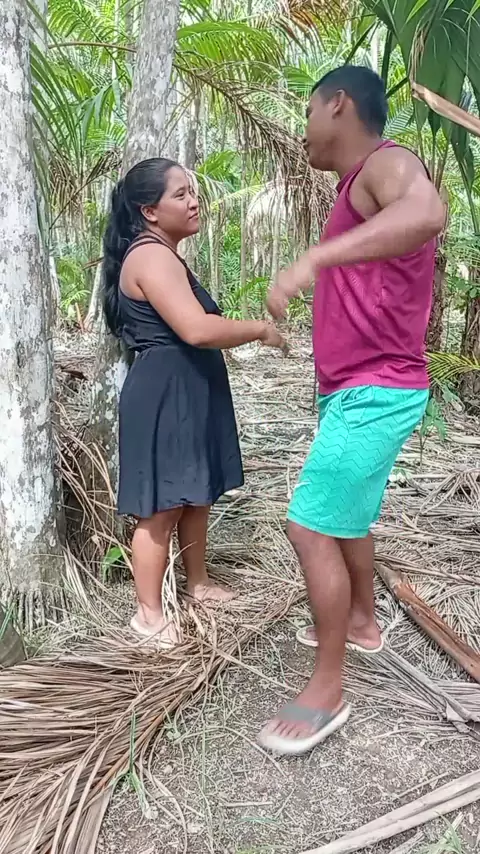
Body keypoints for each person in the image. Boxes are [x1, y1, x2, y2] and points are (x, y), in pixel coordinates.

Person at [259, 66, 445, 755]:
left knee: (309, 525)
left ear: (338, 104)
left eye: (308, 111)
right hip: (359, 388)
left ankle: (328, 689)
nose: (303, 129)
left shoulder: (385, 163)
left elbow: (426, 213)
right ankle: (362, 621)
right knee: (348, 519)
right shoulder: (356, 185)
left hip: (377, 388)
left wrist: (315, 258)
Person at [102, 157, 285, 647]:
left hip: (187, 388)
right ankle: (148, 616)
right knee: (161, 508)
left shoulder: (164, 254)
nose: (194, 201)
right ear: (149, 211)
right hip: (165, 393)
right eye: (180, 194)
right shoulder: (151, 256)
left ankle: (197, 583)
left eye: (192, 191)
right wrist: (260, 329)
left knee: (196, 492)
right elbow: (196, 329)